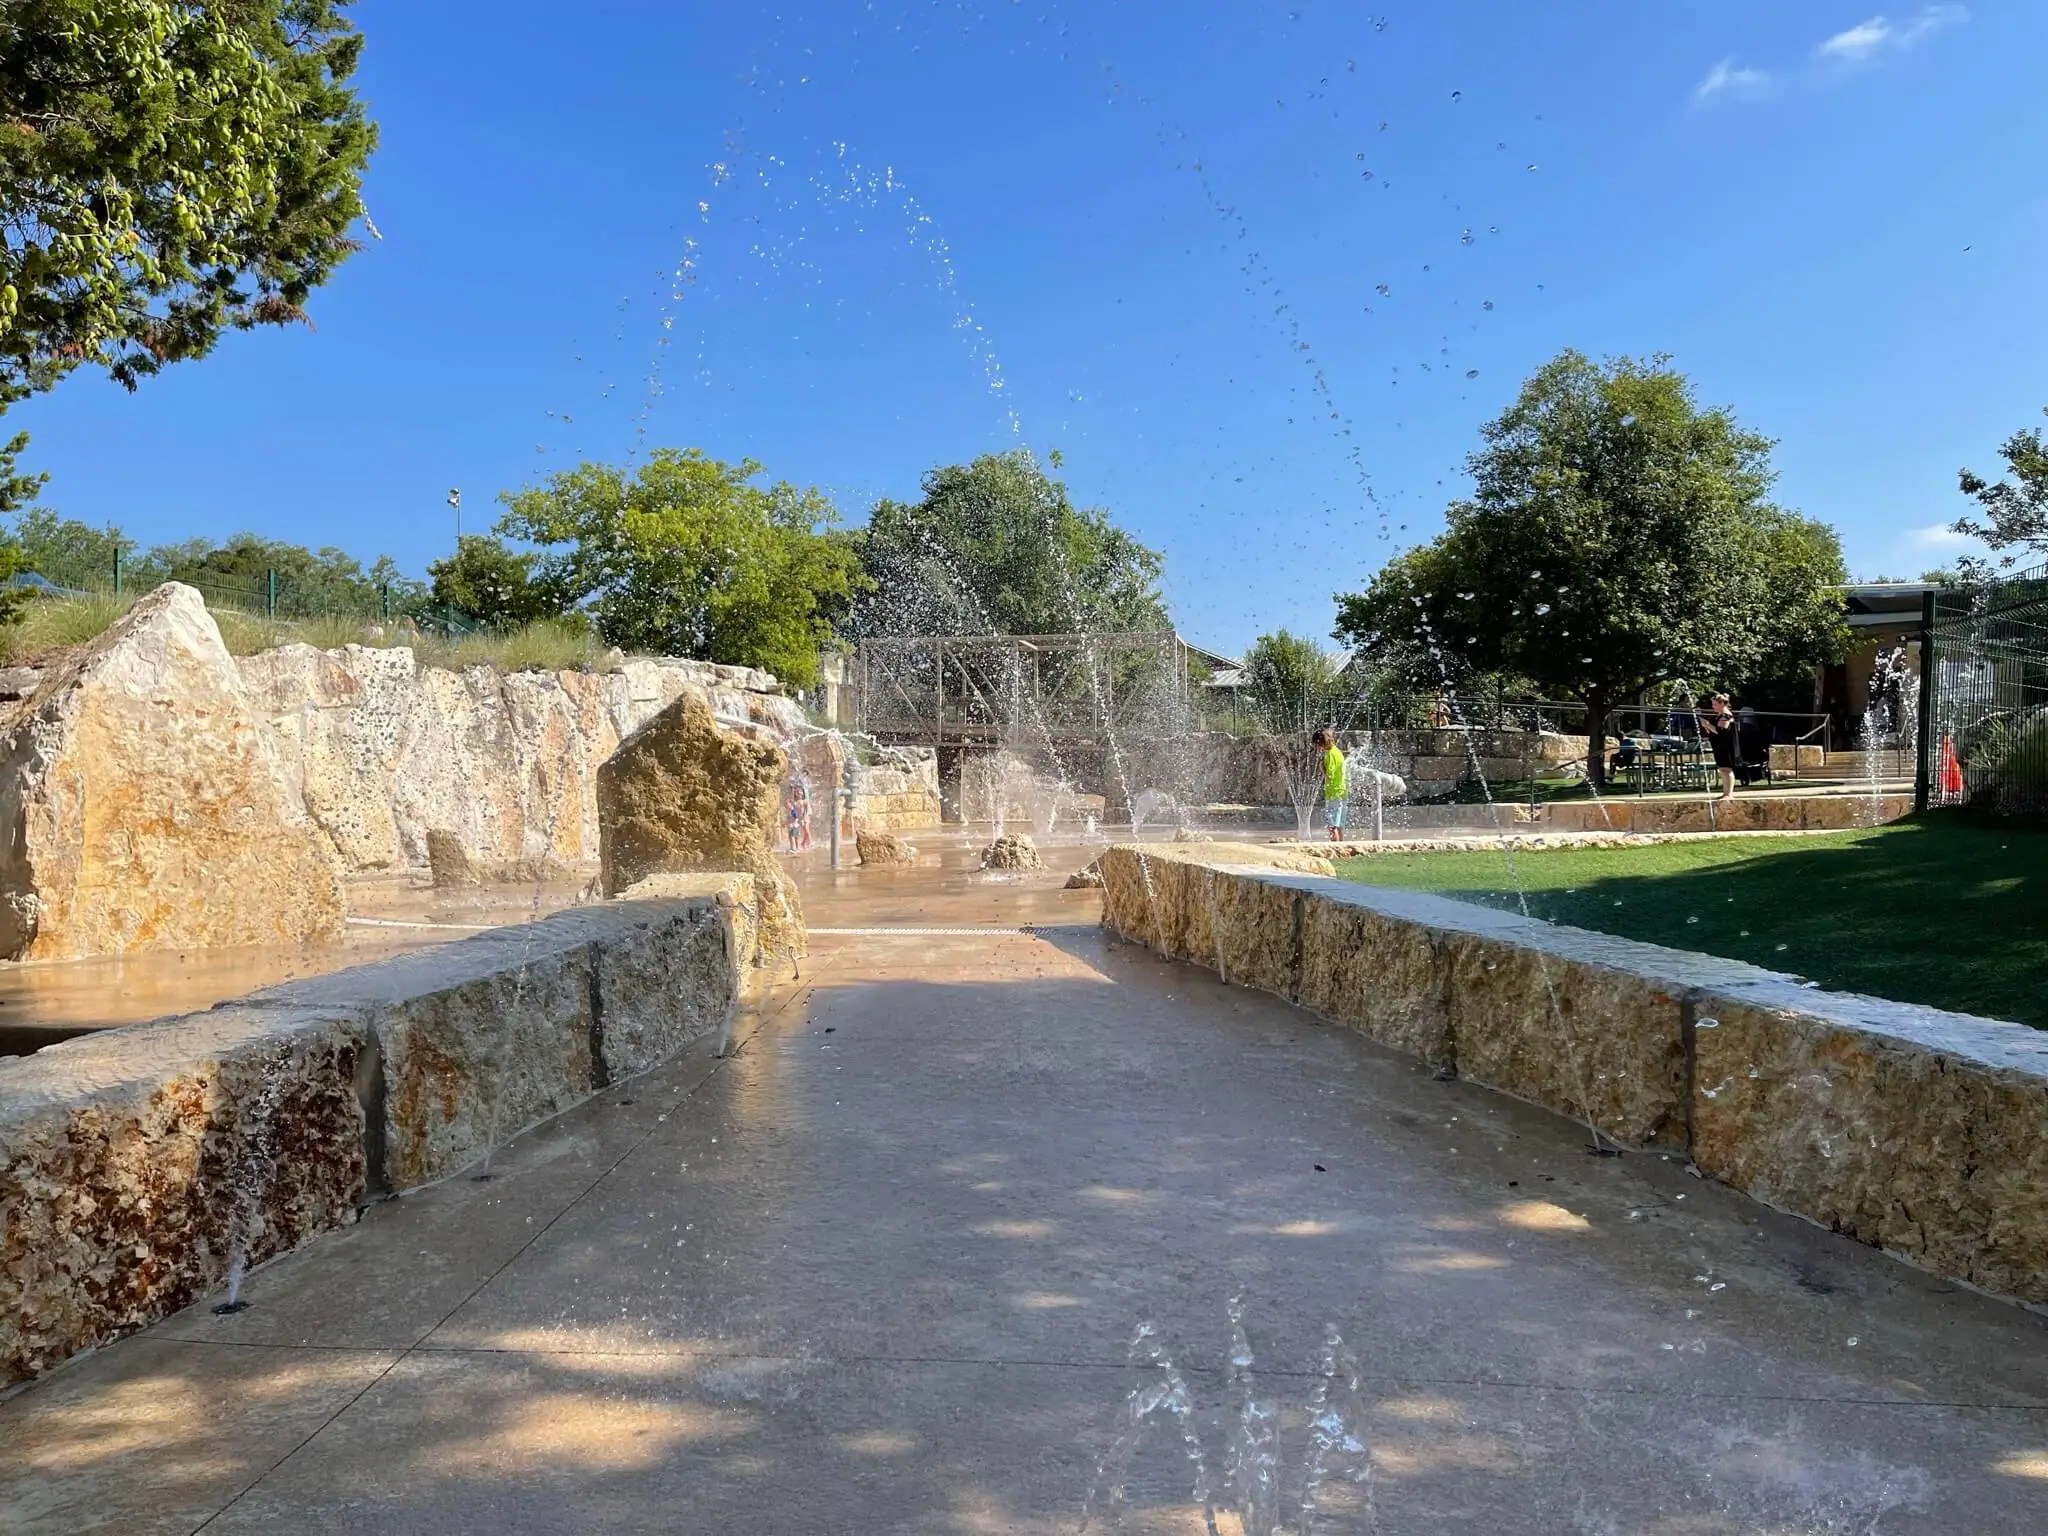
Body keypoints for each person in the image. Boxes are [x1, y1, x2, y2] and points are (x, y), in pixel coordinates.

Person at [1698, 693, 1738, 804]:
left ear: (1722, 704)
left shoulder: (1725, 716)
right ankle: (1725, 793)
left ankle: (1729, 794)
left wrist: (1707, 724)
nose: (1713, 706)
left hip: (1725, 746)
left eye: (1715, 704)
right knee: (1722, 769)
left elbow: (1721, 731)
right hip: (1720, 745)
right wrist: (1708, 727)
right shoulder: (1719, 715)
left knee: (1726, 769)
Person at [1313, 728, 1348, 842]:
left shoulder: (1330, 754)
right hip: (1342, 792)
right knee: (1340, 825)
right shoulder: (1337, 751)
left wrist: (1322, 768)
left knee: (1332, 826)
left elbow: (1330, 776)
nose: (1316, 748)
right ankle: (1342, 848)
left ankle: (1335, 847)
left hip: (1333, 793)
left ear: (1321, 743)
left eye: (1316, 745)